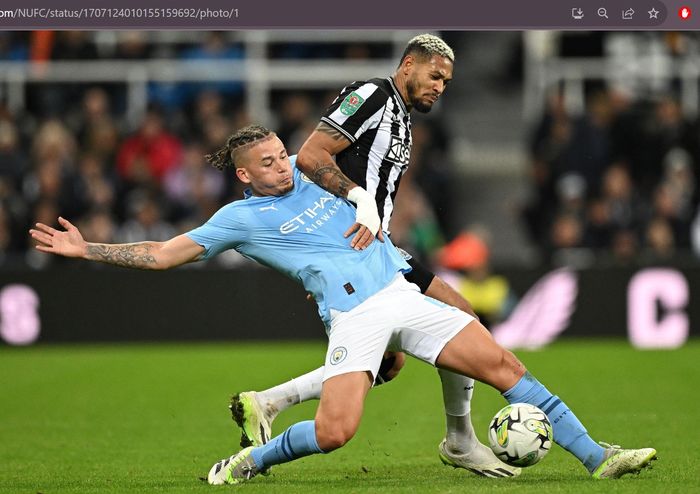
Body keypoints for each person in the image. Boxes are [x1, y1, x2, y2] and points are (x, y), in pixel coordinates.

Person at [30, 125, 656, 484]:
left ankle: (600, 458)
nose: (284, 165)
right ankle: (251, 459)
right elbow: (165, 254)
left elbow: (341, 155)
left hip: (400, 292)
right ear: (245, 174)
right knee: (337, 433)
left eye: (282, 154)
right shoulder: (238, 218)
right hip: (355, 316)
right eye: (270, 162)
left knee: (505, 368)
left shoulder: (314, 177)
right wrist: (90, 251)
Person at [228, 33, 514, 478]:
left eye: (446, 81)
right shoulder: (373, 95)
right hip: (359, 249)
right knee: (461, 314)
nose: (440, 85)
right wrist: (339, 242)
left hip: (378, 251)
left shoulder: (402, 117)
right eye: (434, 75)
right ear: (408, 65)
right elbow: (312, 156)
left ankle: (268, 402)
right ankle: (460, 439)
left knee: (392, 361)